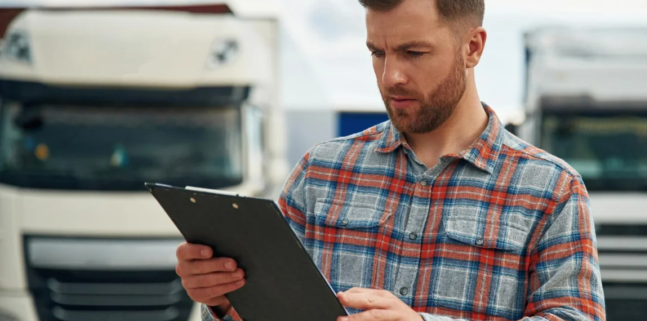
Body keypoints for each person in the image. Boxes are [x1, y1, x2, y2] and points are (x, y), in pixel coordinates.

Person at [174, 0, 605, 320]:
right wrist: (225, 298)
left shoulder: (551, 189)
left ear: (472, 47)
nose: (390, 76)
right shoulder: (320, 172)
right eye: (377, 53)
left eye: (413, 53)